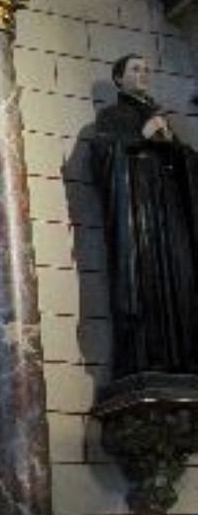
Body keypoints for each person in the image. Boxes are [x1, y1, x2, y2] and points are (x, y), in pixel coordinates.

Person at [91, 54, 198, 377]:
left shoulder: (159, 117)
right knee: (145, 279)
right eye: (135, 69)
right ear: (118, 78)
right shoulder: (111, 116)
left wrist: (176, 148)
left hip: (169, 212)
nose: (143, 74)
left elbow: (184, 165)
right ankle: (148, 358)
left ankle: (184, 358)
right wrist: (142, 137)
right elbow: (104, 157)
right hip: (138, 216)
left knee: (181, 277)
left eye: (146, 70)